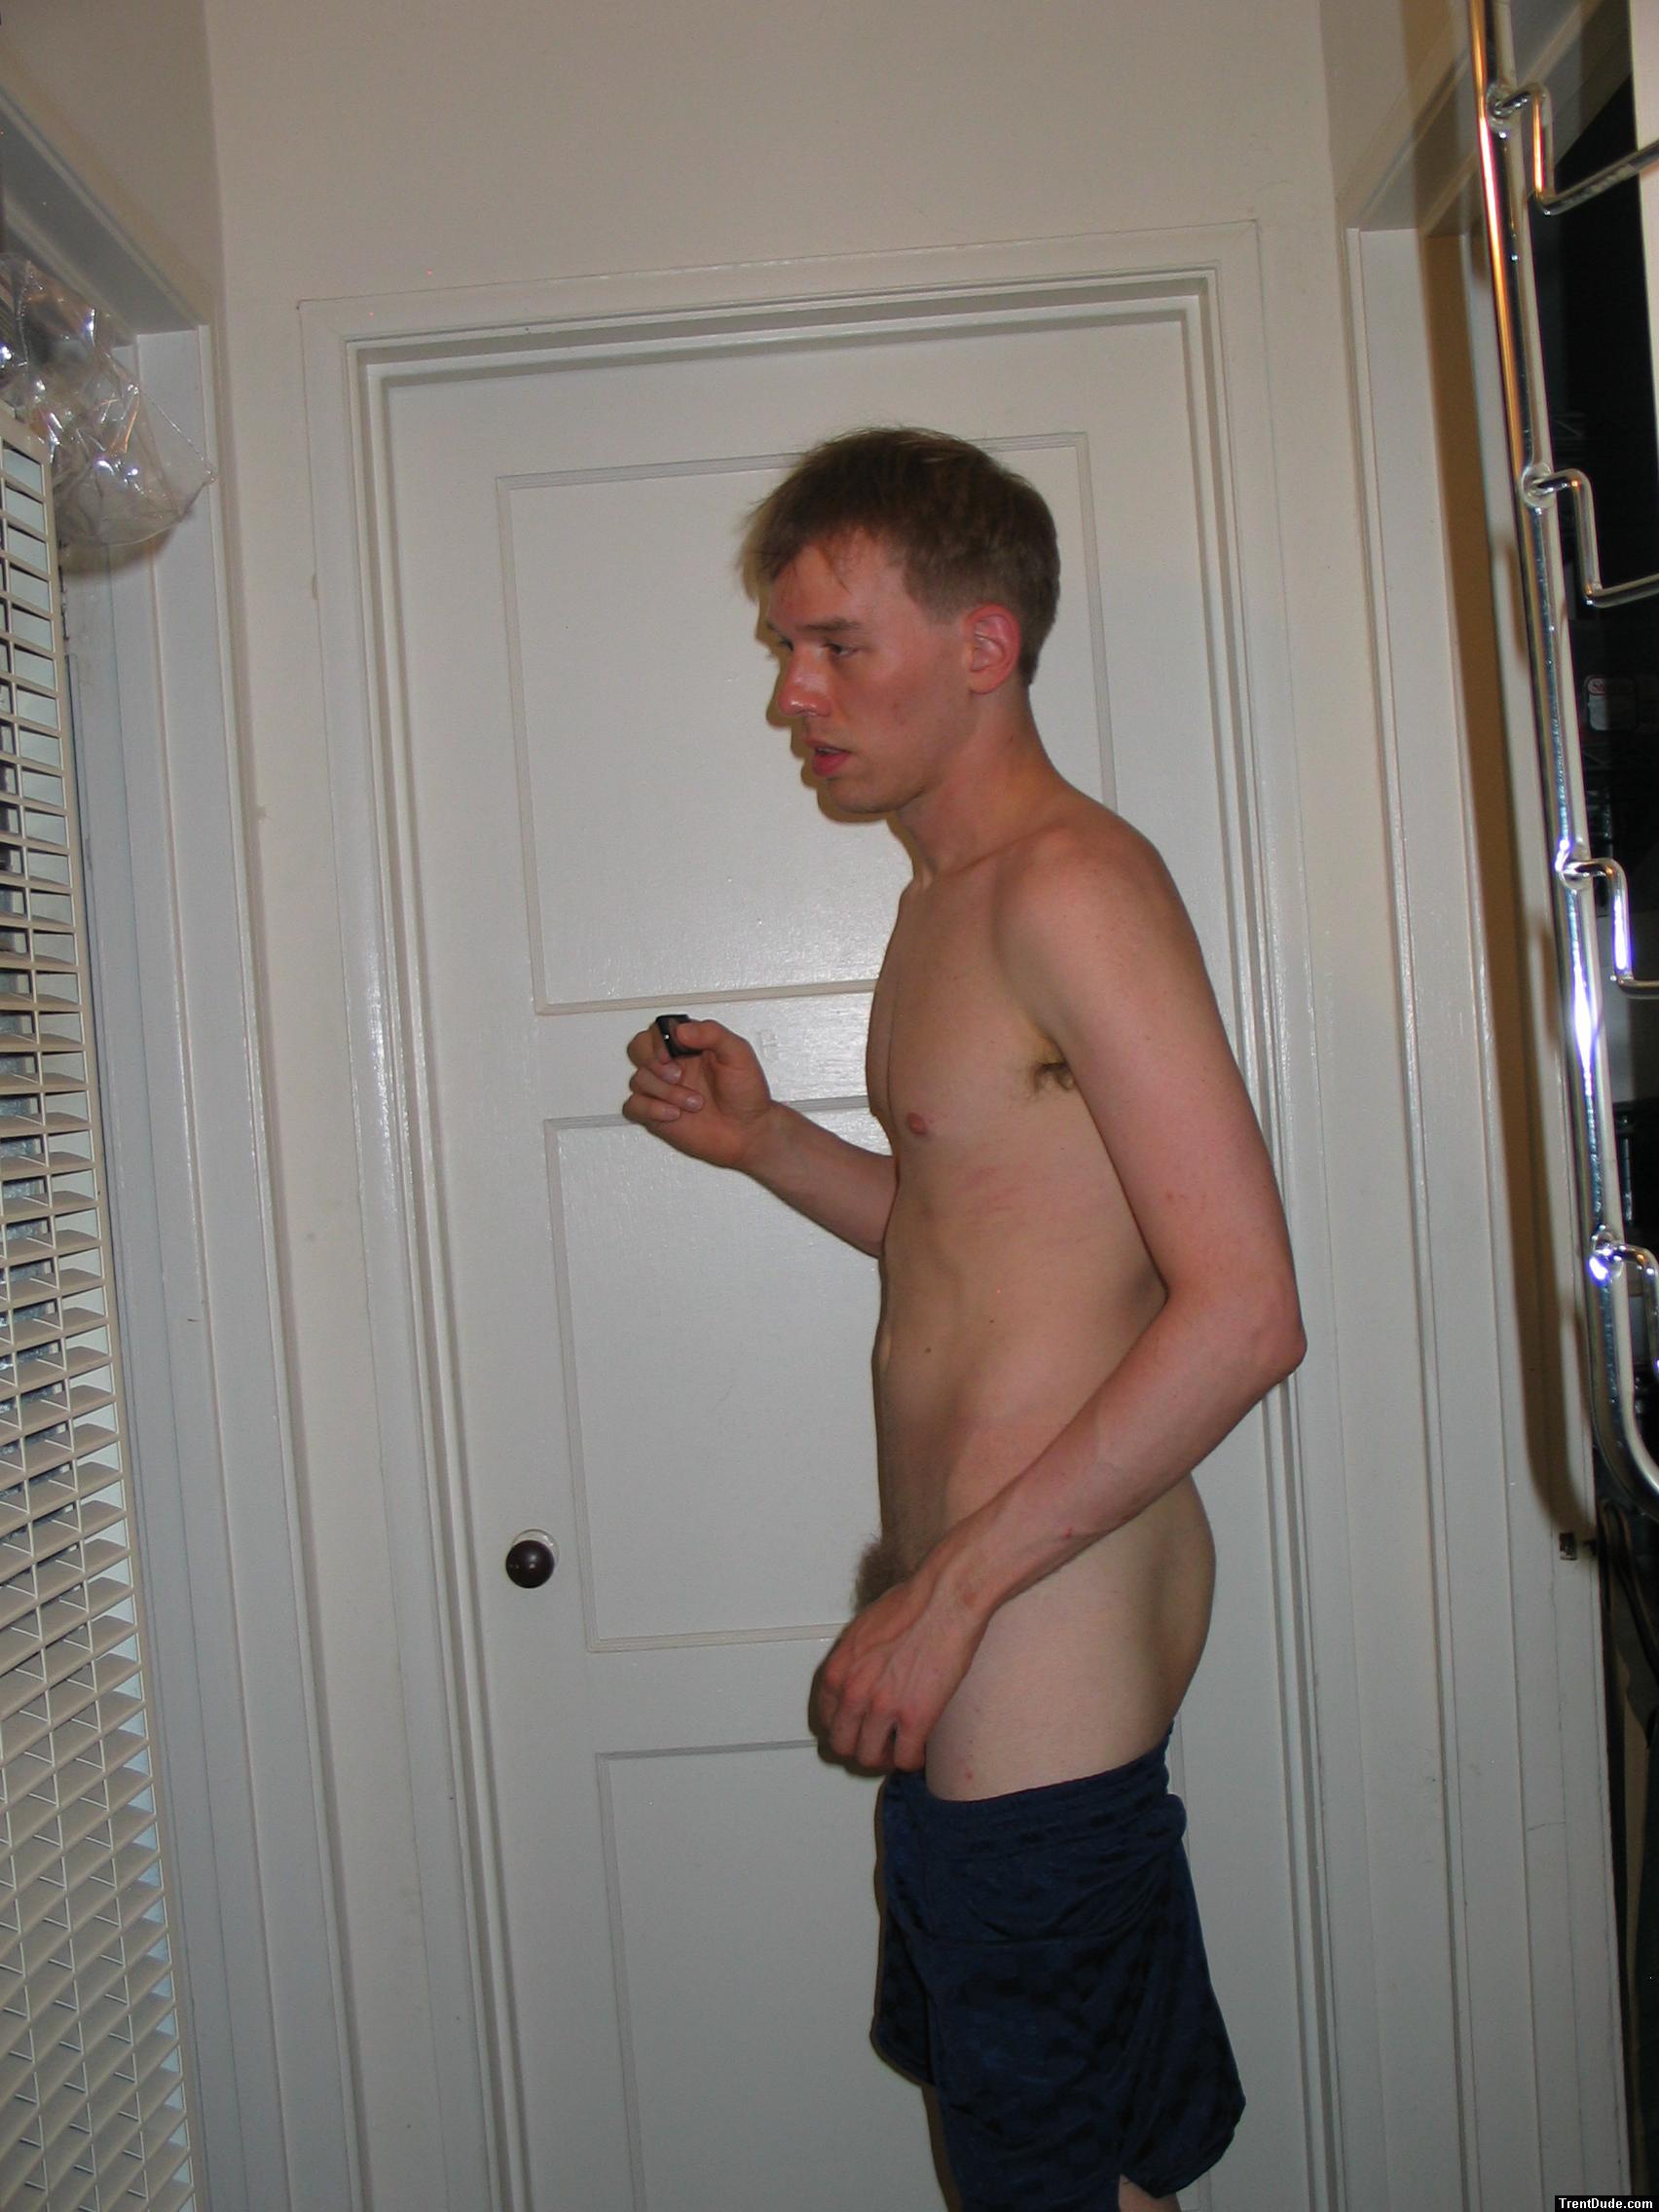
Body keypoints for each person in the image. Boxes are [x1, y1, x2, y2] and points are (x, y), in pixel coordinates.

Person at [622, 427, 1304, 2212]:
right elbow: (972, 1246)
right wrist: (769, 1144)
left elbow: (1246, 1313)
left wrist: (949, 1597)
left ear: (984, 644)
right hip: (1004, 1609)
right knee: (1098, 2168)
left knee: (1047, 2180)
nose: (794, 695)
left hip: (1030, 1623)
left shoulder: (1069, 887)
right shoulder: (946, 901)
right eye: (789, 647)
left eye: (838, 645)